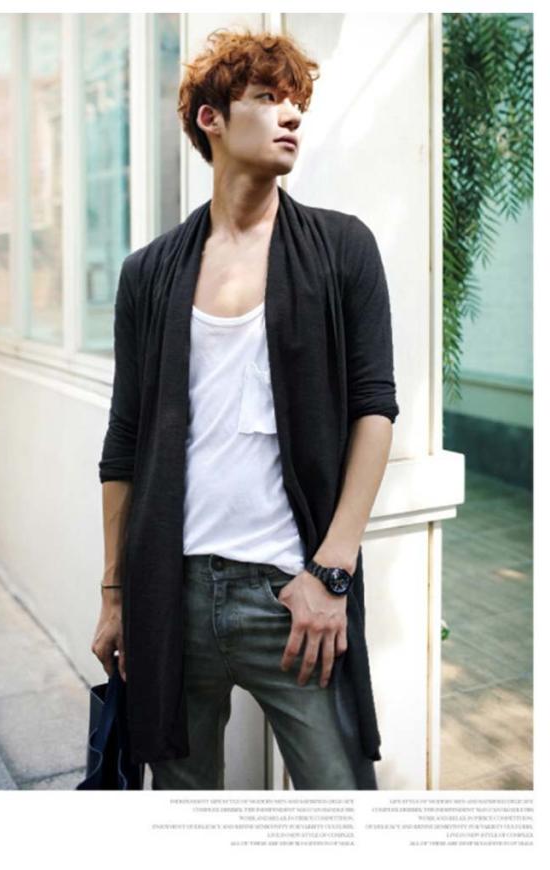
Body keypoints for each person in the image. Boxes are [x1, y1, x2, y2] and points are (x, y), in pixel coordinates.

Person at [91, 28, 399, 790]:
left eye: (297, 102)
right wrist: (115, 597)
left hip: (293, 597)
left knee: (342, 804)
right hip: (171, 597)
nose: (290, 114)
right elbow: (124, 443)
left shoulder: (342, 249)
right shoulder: (149, 273)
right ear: (212, 120)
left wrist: (331, 574)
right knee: (188, 811)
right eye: (267, 98)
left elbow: (374, 409)